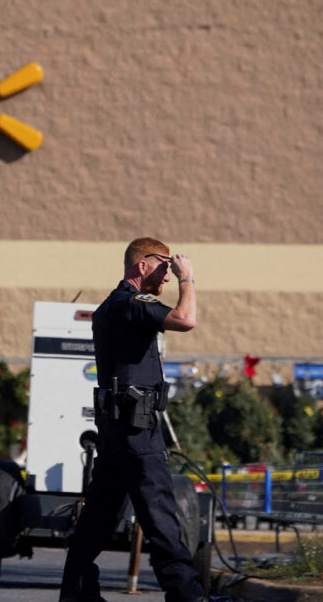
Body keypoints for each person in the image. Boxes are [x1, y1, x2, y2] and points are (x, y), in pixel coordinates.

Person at [59, 237, 203, 602]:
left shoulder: (112, 304)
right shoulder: (132, 303)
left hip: (115, 431)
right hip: (137, 433)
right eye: (163, 265)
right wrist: (189, 278)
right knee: (160, 518)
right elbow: (186, 319)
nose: (167, 274)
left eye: (173, 268)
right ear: (142, 265)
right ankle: (187, 597)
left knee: (98, 519)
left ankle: (76, 594)